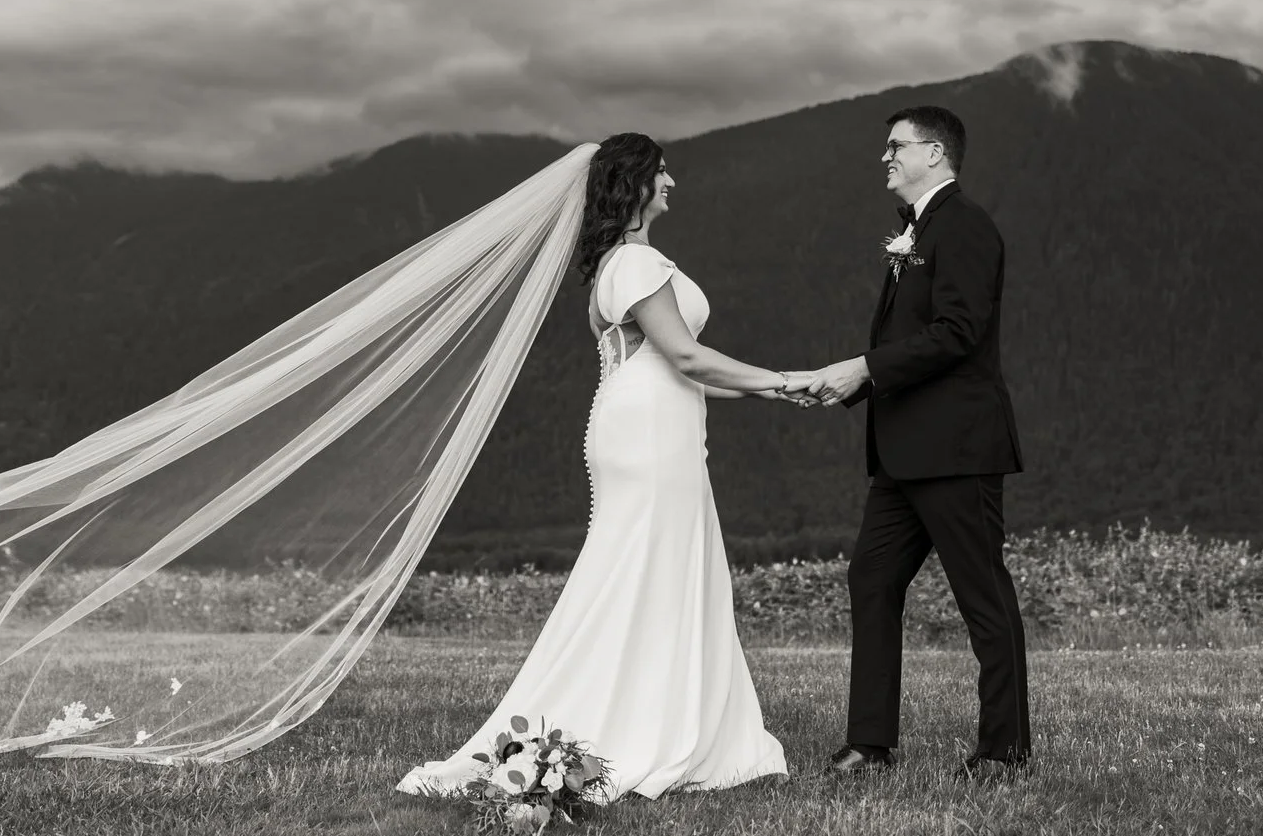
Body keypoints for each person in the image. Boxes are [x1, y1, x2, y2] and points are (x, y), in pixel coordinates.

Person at [396, 133, 797, 800]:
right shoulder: (637, 266)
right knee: (645, 567)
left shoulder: (617, 265)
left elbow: (684, 369)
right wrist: (786, 378)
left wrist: (780, 390)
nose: (673, 182)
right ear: (635, 183)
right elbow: (689, 358)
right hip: (649, 436)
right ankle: (642, 722)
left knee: (649, 568)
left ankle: (657, 711)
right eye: (663, 172)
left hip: (646, 423)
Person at [789, 106, 1031, 782]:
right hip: (903, 454)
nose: (885, 157)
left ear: (935, 153)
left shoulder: (966, 226)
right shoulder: (915, 231)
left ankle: (1004, 753)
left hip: (957, 448)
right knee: (871, 577)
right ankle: (870, 744)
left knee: (983, 596)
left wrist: (862, 369)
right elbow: (909, 340)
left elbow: (958, 332)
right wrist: (847, 382)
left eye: (896, 146)